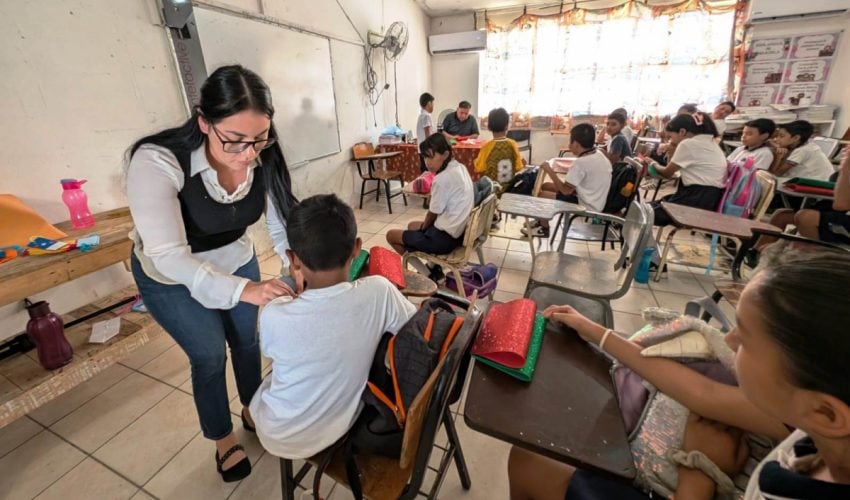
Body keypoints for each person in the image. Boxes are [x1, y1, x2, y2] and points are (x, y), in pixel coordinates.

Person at [508, 246, 850, 500]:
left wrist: (700, 472)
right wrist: (597, 332)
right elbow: (703, 394)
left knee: (532, 462)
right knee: (532, 457)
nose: (727, 341)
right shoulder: (812, 424)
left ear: (826, 412)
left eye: (743, 338)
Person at [126, 65, 299, 482]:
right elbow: (169, 254)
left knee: (246, 340)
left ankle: (251, 408)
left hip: (235, 257)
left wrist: (294, 263)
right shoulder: (157, 160)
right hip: (171, 276)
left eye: (259, 139)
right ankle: (223, 438)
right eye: (234, 141)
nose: (248, 154)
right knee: (207, 354)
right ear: (204, 121)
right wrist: (246, 289)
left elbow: (278, 222)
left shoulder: (261, 151)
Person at [250, 194, 417, 459]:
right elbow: (412, 324)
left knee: (267, 386)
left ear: (293, 259)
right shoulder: (379, 291)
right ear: (356, 248)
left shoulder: (273, 315)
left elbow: (273, 354)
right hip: (340, 428)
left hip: (278, 437)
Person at [387, 133, 474, 257]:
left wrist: (423, 230)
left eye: (431, 157)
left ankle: (427, 272)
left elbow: (432, 213)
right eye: (425, 157)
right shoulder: (461, 168)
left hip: (444, 240)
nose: (427, 162)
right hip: (459, 233)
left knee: (391, 235)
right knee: (412, 225)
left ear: (445, 154)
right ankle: (431, 266)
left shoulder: (441, 179)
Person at [523, 123, 612, 238]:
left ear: (575, 144)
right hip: (594, 197)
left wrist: (550, 171)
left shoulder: (581, 163)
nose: (569, 145)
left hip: (588, 205)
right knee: (546, 185)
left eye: (570, 141)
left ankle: (543, 228)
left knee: (542, 195)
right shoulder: (598, 153)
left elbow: (565, 191)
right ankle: (540, 220)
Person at [645, 112, 727, 227]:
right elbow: (674, 173)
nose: (670, 140)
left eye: (671, 137)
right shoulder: (710, 143)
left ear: (682, 132)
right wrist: (672, 149)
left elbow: (667, 173)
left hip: (695, 199)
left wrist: (653, 163)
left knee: (643, 213)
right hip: (708, 198)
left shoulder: (689, 144)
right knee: (647, 208)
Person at [474, 107, 524, 189]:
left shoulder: (486, 147)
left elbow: (479, 168)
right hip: (509, 189)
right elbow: (518, 167)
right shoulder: (513, 144)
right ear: (506, 126)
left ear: (489, 127)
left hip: (492, 190)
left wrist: (475, 161)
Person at [769, 120, 834, 180]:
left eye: (781, 136)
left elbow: (776, 174)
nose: (776, 139)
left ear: (796, 138)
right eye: (777, 136)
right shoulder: (804, 144)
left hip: (818, 184)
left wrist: (778, 158)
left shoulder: (803, 150)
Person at [417, 92, 435, 173]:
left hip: (422, 148)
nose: (433, 106)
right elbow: (427, 133)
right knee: (427, 170)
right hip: (427, 148)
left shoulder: (421, 115)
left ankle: (423, 185)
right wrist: (430, 148)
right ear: (429, 103)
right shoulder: (426, 116)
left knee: (424, 169)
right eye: (432, 103)